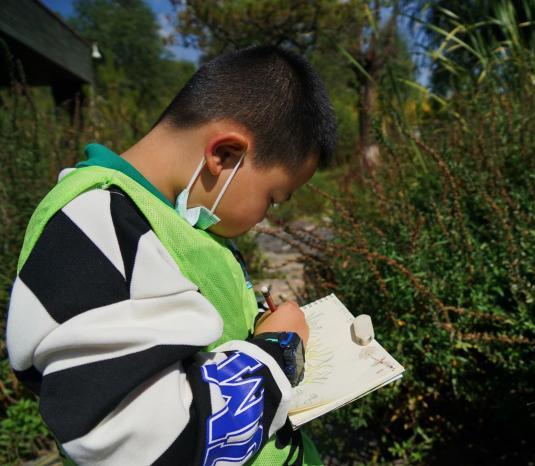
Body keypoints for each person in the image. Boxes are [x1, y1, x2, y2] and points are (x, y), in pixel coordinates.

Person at [5, 44, 336, 466]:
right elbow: (133, 443)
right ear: (224, 155)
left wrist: (253, 324)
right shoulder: (95, 223)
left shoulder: (167, 221)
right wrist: (277, 351)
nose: (265, 216)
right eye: (273, 198)